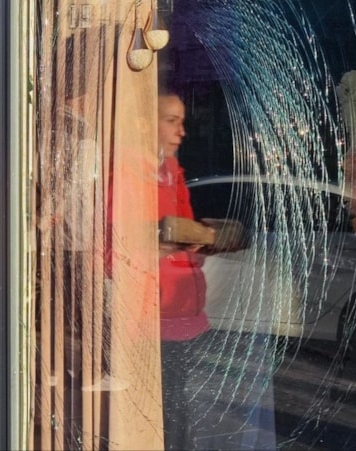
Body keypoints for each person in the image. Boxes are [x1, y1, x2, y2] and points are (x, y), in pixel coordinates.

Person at [156, 90, 214, 450]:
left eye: (182, 122)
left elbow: (184, 233)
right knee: (170, 401)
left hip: (179, 305)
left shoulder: (171, 173)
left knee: (177, 397)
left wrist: (198, 241)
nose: (182, 132)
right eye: (171, 121)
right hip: (156, 308)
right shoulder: (139, 174)